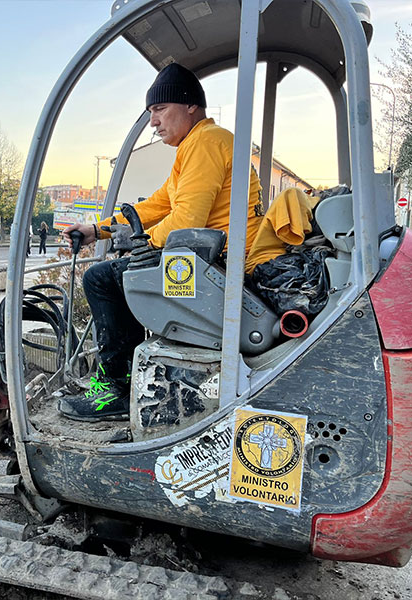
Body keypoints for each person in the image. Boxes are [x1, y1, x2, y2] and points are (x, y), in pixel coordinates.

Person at [59, 63, 264, 421]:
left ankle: (115, 390)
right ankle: (128, 380)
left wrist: (139, 242)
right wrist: (100, 230)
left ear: (190, 106)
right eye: (151, 113)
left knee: (102, 279)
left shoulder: (206, 143)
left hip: (221, 263)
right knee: (120, 273)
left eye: (159, 109)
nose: (154, 122)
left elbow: (186, 220)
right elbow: (156, 205)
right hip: (214, 255)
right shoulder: (196, 146)